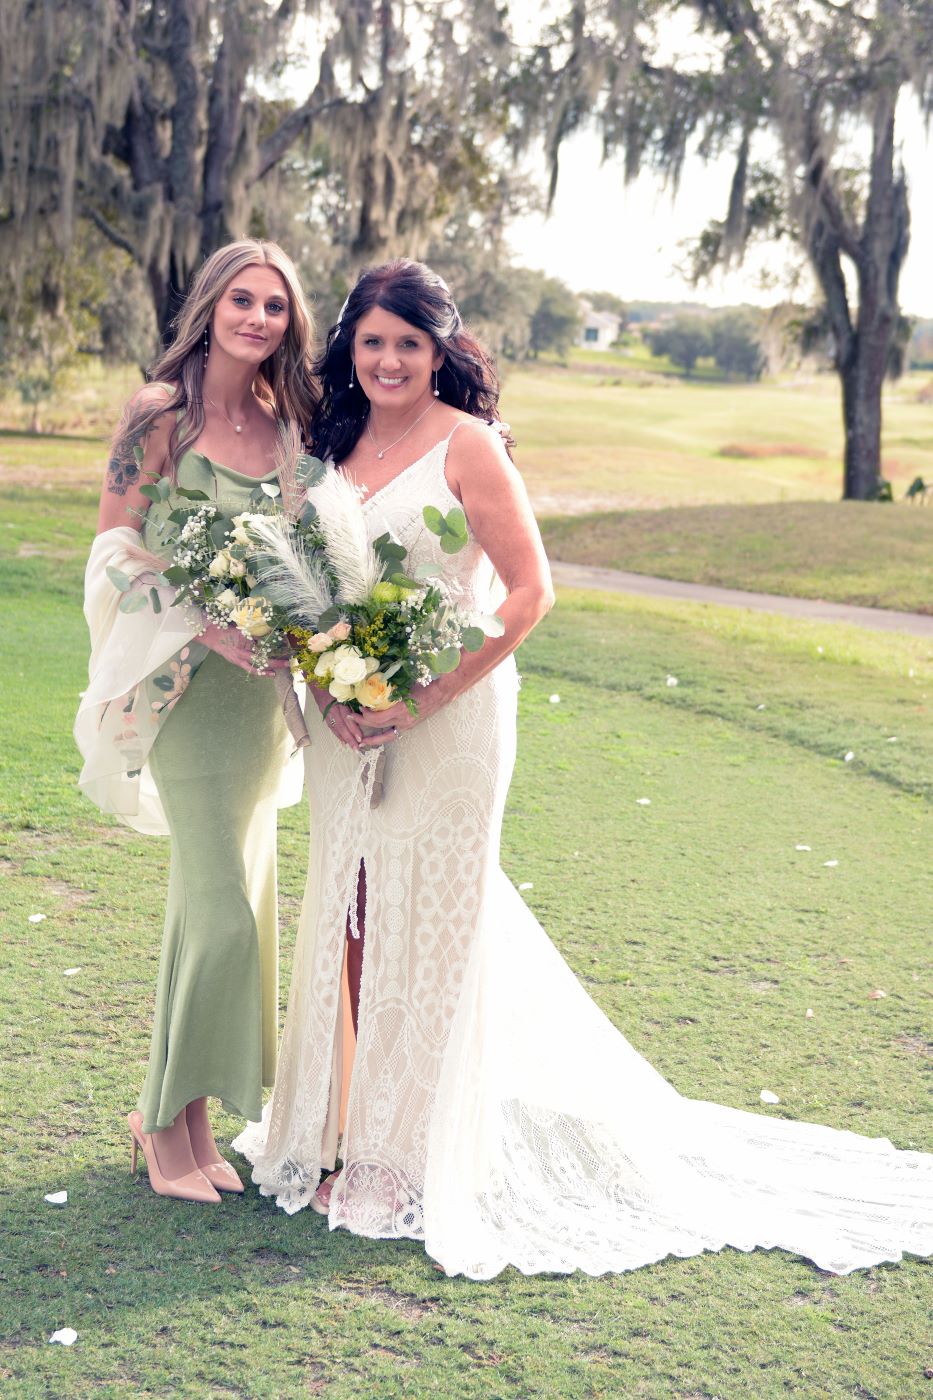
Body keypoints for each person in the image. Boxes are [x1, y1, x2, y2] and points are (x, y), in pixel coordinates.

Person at [235, 259, 932, 1279]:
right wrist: (333, 685)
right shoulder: (333, 442)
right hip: (349, 720)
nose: (388, 360)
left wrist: (418, 696)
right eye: (372, 341)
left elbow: (529, 594)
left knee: (430, 921)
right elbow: (314, 582)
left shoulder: (468, 446)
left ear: (441, 353)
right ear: (349, 347)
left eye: (410, 344)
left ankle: (403, 1156)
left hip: (449, 715)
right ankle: (336, 1125)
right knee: (349, 907)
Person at [75, 239, 316, 1202]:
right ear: (210, 305)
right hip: (184, 686)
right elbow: (113, 549)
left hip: (261, 699)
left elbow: (310, 547)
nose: (258, 319)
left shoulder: (285, 419)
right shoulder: (159, 416)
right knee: (221, 916)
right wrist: (199, 618)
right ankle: (161, 1120)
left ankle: (185, 1128)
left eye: (275, 307)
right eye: (243, 301)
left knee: (227, 904)